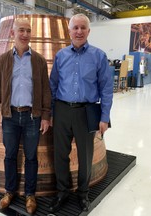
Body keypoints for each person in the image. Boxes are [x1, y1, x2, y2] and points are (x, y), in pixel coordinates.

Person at [49, 13, 113, 213]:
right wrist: (51, 113)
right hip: (61, 110)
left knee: (86, 155)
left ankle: (83, 193)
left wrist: (104, 117)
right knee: (60, 154)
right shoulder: (61, 56)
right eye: (75, 28)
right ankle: (62, 191)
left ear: (88, 31)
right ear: (69, 31)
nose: (78, 31)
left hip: (87, 112)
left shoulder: (99, 56)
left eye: (82, 28)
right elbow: (53, 86)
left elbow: (106, 89)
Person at [0, 18, 51, 215]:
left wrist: (45, 116)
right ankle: (9, 192)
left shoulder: (39, 61)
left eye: (28, 31)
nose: (25, 34)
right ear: (12, 34)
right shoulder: (3, 60)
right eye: (21, 31)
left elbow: (45, 91)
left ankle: (30, 195)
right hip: (10, 116)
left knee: (31, 157)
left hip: (32, 117)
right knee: (10, 156)